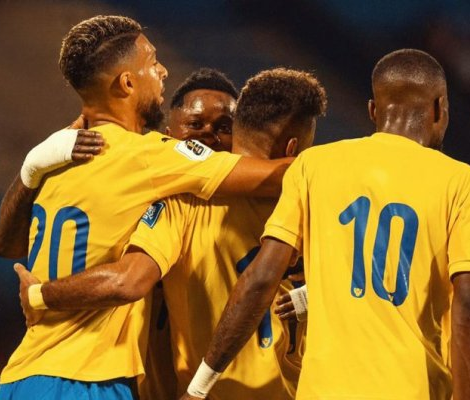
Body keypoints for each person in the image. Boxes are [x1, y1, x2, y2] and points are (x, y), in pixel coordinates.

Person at [0, 15, 291, 399]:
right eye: (152, 62)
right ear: (127, 83)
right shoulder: (150, 156)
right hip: (86, 380)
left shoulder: (57, 158)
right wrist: (348, 161)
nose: (163, 70)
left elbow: (8, 245)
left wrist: (28, 170)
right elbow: (275, 176)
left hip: (20, 377)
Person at [183, 49, 470, 400]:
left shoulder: (314, 165)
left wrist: (199, 387)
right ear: (440, 109)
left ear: (373, 110)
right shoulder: (462, 183)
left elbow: (261, 279)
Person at [139, 67, 240, 400]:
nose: (208, 134)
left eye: (224, 127)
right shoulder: (141, 196)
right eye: (195, 125)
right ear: (169, 135)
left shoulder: (263, 212)